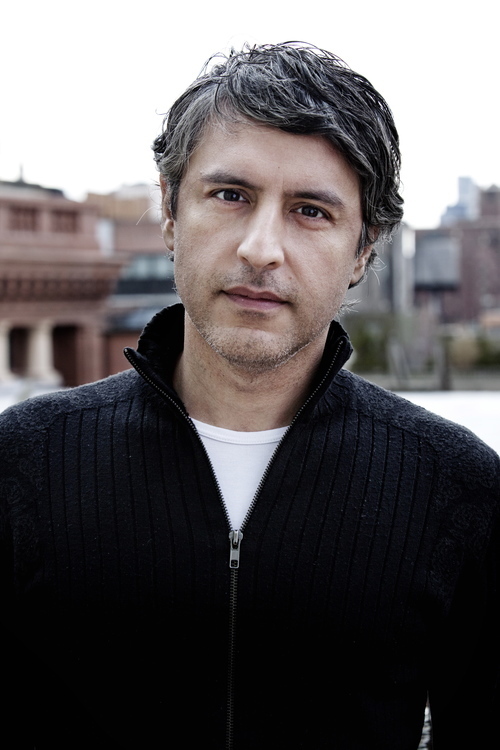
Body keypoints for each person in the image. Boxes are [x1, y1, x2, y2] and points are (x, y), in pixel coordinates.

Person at [1, 43, 498, 749]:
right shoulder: (23, 465)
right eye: (231, 196)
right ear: (170, 212)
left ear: (363, 250)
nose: (261, 249)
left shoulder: (459, 489)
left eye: (311, 211)